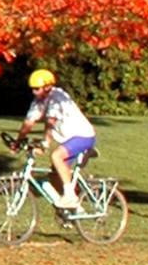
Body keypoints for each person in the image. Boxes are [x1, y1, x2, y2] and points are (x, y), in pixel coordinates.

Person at [15, 67, 97, 213]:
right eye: (33, 89)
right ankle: (74, 210)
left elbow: (50, 123)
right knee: (54, 174)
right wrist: (18, 141)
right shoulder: (38, 100)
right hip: (70, 139)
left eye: (37, 88)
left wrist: (45, 143)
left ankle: (70, 196)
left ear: (48, 86)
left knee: (56, 156)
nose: (34, 92)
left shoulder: (57, 97)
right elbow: (29, 122)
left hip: (82, 135)